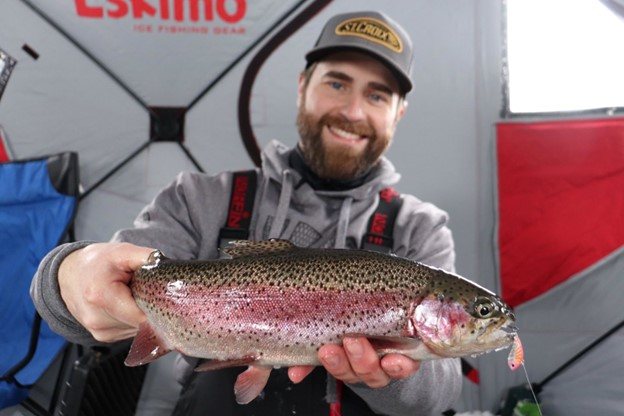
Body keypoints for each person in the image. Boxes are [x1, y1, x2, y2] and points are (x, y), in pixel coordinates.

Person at [31, 10, 462, 416]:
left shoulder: (421, 229)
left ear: (398, 112)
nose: (352, 110)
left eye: (377, 95)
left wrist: (378, 376)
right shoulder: (199, 198)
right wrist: (65, 274)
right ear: (302, 85)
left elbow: (441, 389)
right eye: (336, 83)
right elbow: (92, 292)